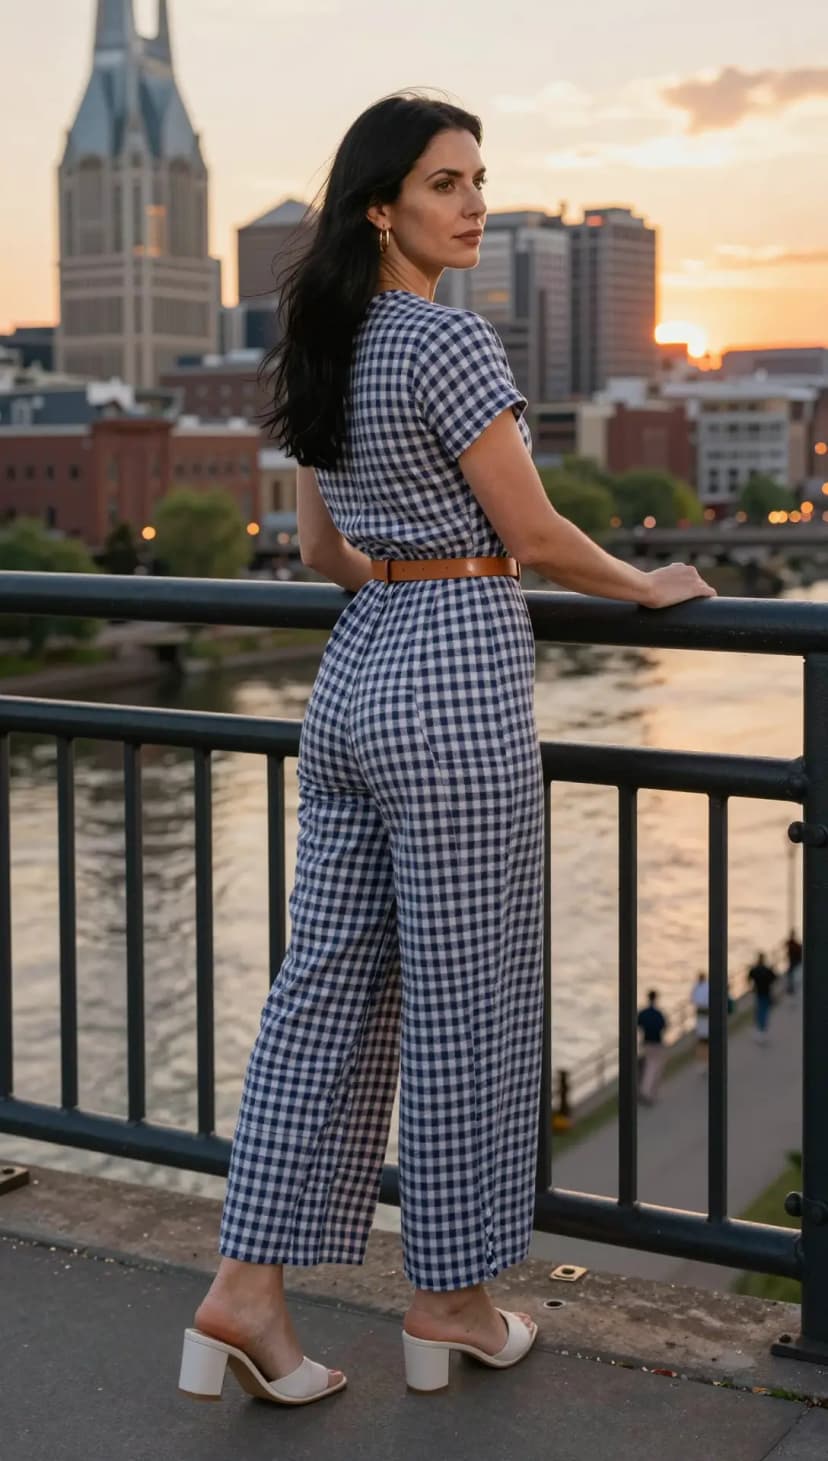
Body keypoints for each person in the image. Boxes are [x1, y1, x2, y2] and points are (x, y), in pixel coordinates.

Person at [179, 92, 717, 1408]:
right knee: (471, 1006)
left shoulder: (323, 342)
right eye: (445, 183)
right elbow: (533, 537)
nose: (474, 204)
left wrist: (402, 574)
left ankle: (245, 1290)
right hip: (456, 675)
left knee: (321, 993)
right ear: (383, 206)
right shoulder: (446, 343)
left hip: (356, 672)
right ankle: (453, 1301)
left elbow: (319, 554)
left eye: (480, 180)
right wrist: (645, 583)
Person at [637, 991, 668, 1104]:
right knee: (654, 1067)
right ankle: (648, 1092)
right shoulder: (658, 1014)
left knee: (649, 1065)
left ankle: (646, 1091)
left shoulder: (643, 1013)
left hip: (646, 1043)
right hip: (657, 1043)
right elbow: (664, 1026)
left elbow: (638, 1024)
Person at [748, 952, 778, 1041]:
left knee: (760, 1010)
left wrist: (752, 987)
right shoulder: (767, 969)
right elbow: (775, 978)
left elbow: (749, 978)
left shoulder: (755, 969)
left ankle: (760, 1030)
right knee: (764, 1011)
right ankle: (762, 1030)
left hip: (758, 993)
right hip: (767, 993)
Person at [692, 972, 711, 1070]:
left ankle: (705, 1061)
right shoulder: (697, 987)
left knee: (704, 1040)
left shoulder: (704, 987)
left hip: (705, 1014)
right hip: (702, 1015)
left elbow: (694, 999)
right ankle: (702, 1061)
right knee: (702, 1040)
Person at [784, 931, 802, 997]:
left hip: (794, 961)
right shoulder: (793, 943)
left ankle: (791, 988)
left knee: (791, 974)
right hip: (793, 961)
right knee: (790, 974)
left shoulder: (794, 944)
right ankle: (791, 988)